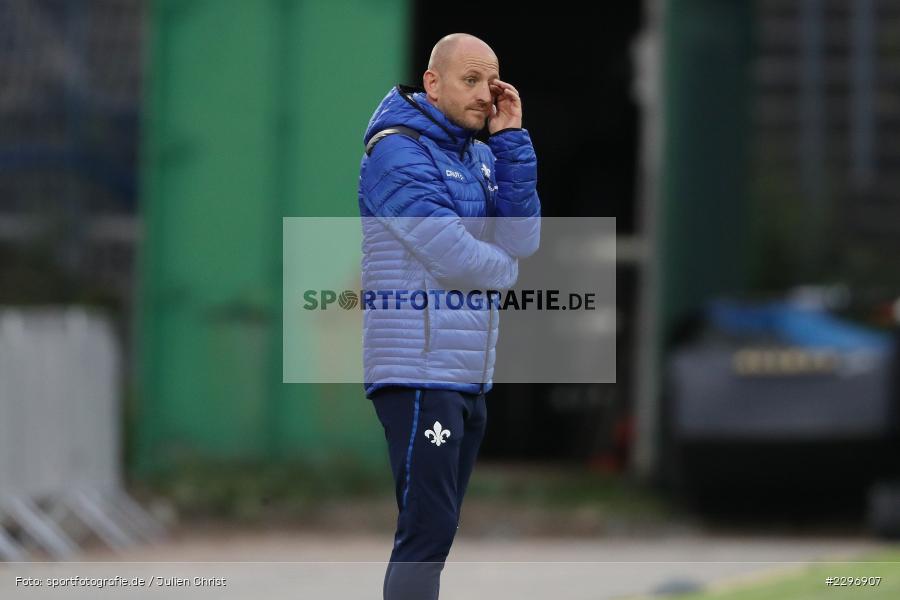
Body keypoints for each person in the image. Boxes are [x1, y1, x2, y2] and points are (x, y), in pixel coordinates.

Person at [357, 33, 541, 599]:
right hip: (419, 373)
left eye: (492, 80)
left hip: (463, 374)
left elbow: (524, 237)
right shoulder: (394, 150)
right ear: (432, 84)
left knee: (437, 530)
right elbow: (452, 255)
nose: (486, 93)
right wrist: (506, 272)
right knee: (427, 530)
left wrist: (510, 141)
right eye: (471, 80)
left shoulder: (482, 154)